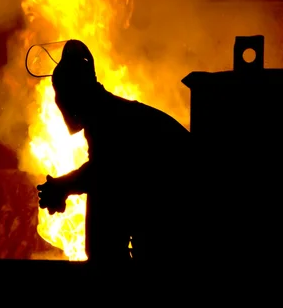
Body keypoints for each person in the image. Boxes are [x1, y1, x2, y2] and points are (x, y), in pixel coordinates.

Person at [37, 39, 191, 264]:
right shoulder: (110, 112)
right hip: (166, 202)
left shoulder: (109, 119)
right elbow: (104, 169)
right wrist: (64, 187)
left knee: (105, 206)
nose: (60, 103)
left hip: (176, 207)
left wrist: (63, 186)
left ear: (75, 94)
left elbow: (104, 172)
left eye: (62, 94)